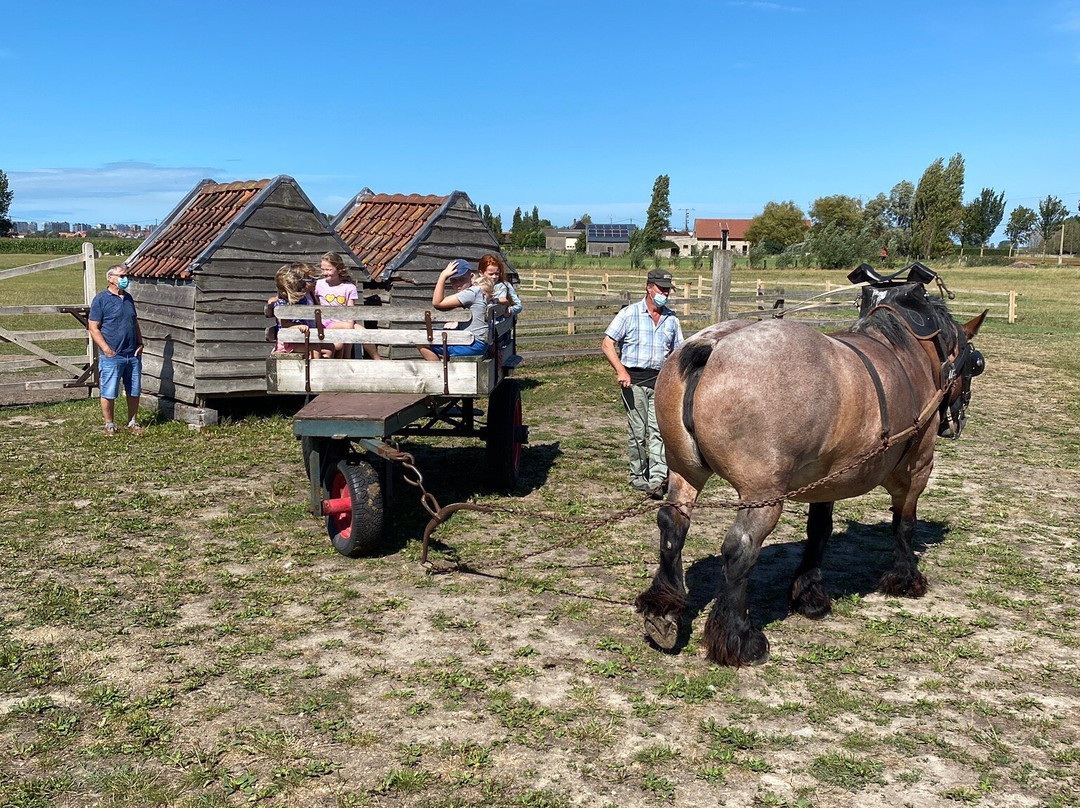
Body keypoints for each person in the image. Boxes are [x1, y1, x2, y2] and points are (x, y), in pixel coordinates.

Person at [601, 268, 684, 498]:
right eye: (661, 289)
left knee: (658, 431)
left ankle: (657, 478)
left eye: (667, 290)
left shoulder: (672, 319)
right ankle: (638, 475)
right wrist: (621, 371)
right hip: (634, 382)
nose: (665, 294)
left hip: (661, 384)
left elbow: (678, 352)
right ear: (649, 288)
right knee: (638, 432)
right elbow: (607, 343)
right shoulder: (629, 314)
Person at [89, 265, 145, 436]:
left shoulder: (128, 298)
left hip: (132, 354)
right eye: (121, 276)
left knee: (134, 390)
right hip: (113, 355)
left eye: (126, 275)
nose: (124, 279)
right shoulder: (101, 300)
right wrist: (106, 349)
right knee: (109, 390)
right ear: (110, 278)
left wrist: (140, 343)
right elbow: (93, 327)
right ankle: (109, 424)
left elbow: (133, 322)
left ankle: (133, 422)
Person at [418, 259, 492, 360]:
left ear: (471, 277)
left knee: (420, 339)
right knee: (424, 333)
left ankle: (439, 373)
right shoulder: (476, 291)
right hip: (475, 341)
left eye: (461, 279)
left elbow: (437, 302)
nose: (458, 284)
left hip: (473, 344)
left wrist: (442, 276)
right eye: (454, 280)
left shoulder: (471, 293)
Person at [314, 252, 364, 359]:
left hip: (343, 322)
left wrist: (349, 323)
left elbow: (350, 310)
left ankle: (376, 360)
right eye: (323, 269)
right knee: (344, 336)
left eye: (328, 269)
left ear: (339, 269)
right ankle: (346, 360)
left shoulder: (349, 287)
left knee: (361, 331)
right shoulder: (319, 284)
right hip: (326, 323)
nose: (325, 272)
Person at [271, 263, 323, 359]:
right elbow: (284, 324)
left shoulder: (302, 300)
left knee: (316, 346)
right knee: (314, 348)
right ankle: (314, 372)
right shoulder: (282, 304)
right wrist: (297, 326)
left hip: (300, 338)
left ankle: (313, 370)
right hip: (288, 341)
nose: (300, 291)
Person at [477, 253, 522, 319]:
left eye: (496, 274)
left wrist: (509, 311)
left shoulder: (504, 285)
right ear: (481, 273)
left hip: (500, 323)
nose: (494, 277)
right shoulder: (477, 286)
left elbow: (518, 305)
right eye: (491, 274)